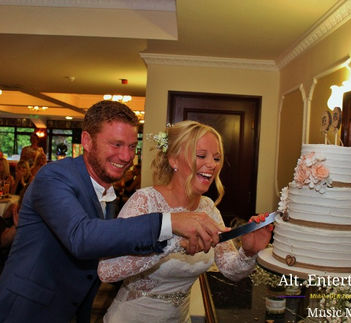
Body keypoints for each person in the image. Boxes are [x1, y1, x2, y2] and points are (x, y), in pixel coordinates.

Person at [0, 101, 227, 323]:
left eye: (131, 146)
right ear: (87, 141)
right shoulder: (53, 177)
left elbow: (109, 246)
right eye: (116, 145)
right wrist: (170, 222)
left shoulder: (109, 191)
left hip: (76, 309)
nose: (126, 157)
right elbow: (82, 237)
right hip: (29, 309)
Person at [98, 120, 273, 322]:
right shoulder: (145, 202)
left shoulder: (208, 208)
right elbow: (107, 270)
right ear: (173, 160)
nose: (212, 164)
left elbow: (230, 270)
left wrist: (248, 252)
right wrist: (173, 244)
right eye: (201, 155)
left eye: (217, 158)